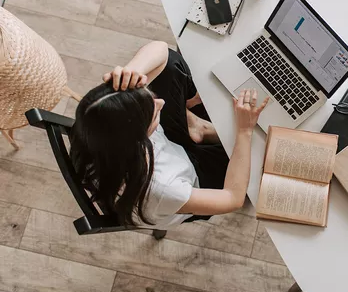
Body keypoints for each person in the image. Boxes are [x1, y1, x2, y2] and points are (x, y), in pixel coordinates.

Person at [69, 41, 268, 230]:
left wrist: (133, 71)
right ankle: (200, 129)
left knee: (171, 64)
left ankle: (196, 128)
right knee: (260, 153)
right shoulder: (163, 189)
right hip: (193, 178)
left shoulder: (96, 120)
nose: (161, 103)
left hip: (166, 151)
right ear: (139, 138)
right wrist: (244, 130)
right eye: (153, 112)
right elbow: (232, 198)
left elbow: (161, 51)